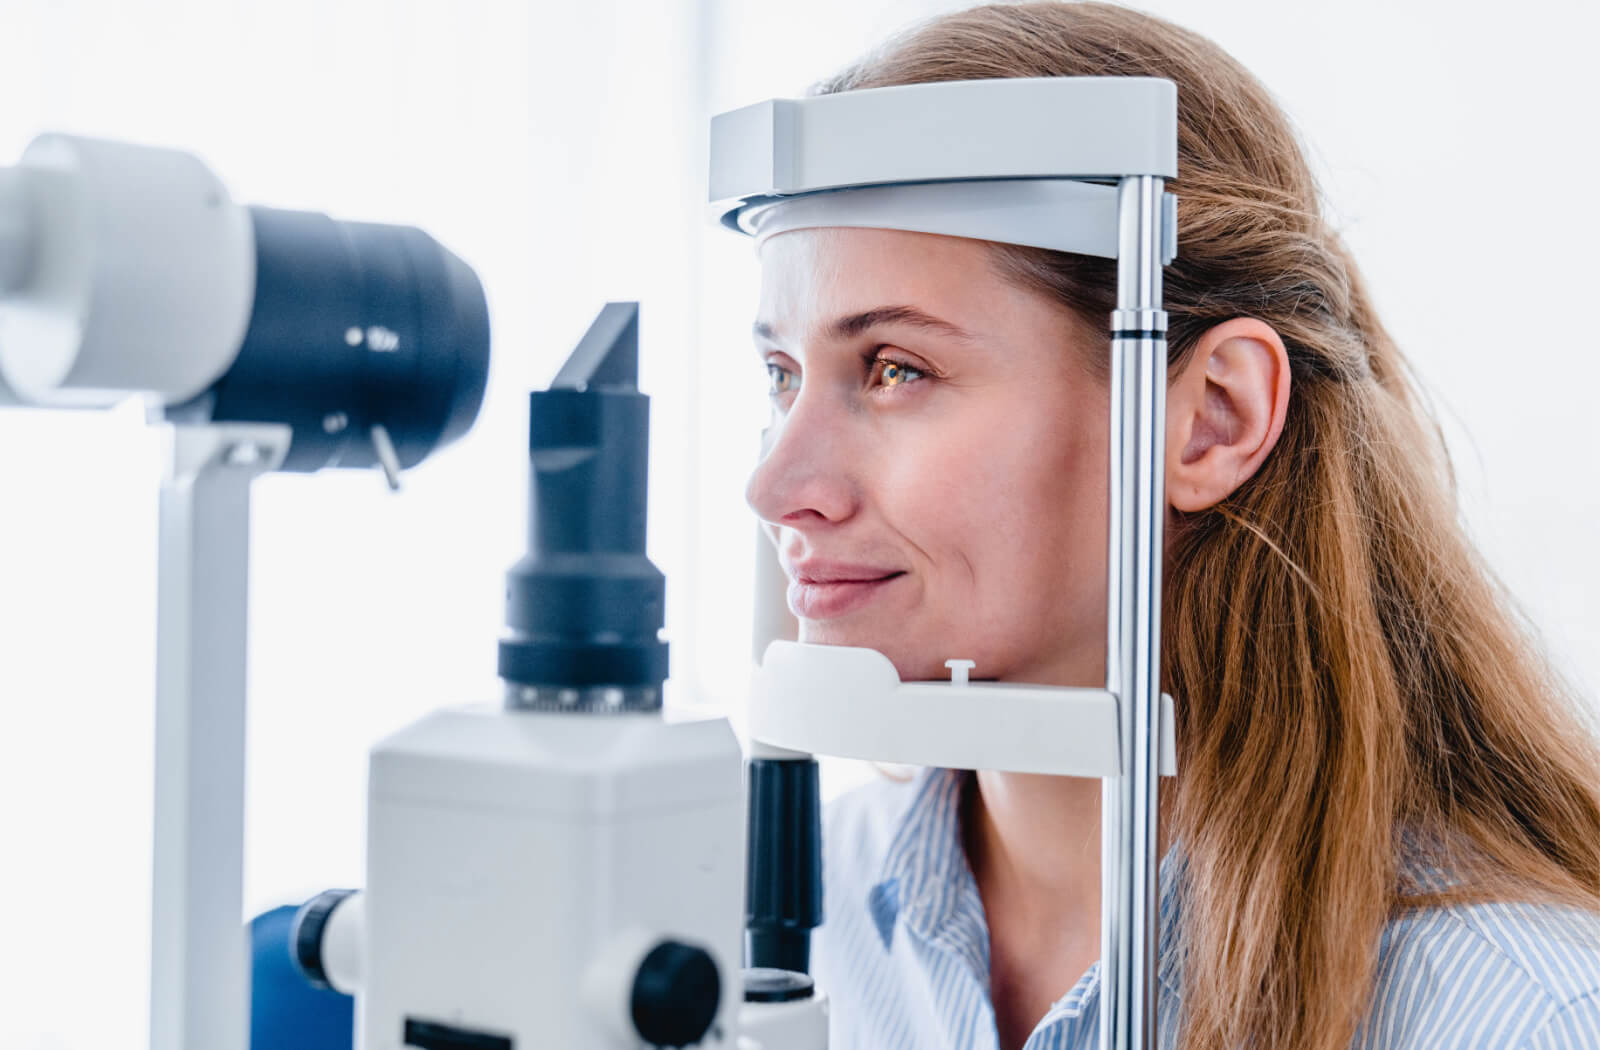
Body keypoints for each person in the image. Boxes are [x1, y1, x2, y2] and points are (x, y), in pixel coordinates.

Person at [741, 4, 1600, 1049]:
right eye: (781, 376)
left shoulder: (1509, 1013)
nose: (779, 482)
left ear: (1209, 420)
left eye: (895, 370)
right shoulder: (793, 928)